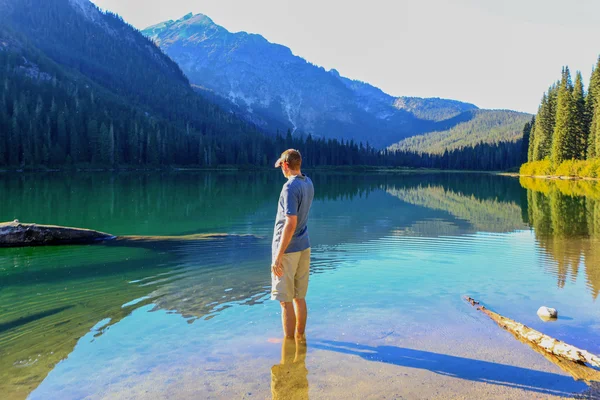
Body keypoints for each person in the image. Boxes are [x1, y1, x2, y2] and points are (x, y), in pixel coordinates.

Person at [271, 149, 314, 340]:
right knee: (299, 297)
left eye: (281, 165)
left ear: (286, 165)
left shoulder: (289, 188)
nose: (281, 168)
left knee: (285, 301)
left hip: (288, 251)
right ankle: (300, 337)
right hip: (304, 245)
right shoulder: (308, 182)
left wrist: (278, 256)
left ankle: (288, 346)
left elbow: (290, 222)